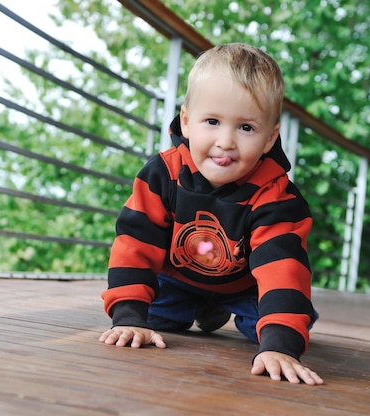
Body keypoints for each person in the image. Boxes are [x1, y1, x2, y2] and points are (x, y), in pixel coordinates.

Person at [99, 43, 323, 385]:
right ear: (186, 122)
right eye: (212, 121)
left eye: (246, 127)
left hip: (245, 286)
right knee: (155, 320)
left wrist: (281, 346)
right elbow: (135, 243)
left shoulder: (276, 196)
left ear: (269, 138)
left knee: (271, 331)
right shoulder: (163, 175)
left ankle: (227, 309)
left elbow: (282, 269)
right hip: (177, 278)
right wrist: (128, 317)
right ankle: (201, 307)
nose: (226, 141)